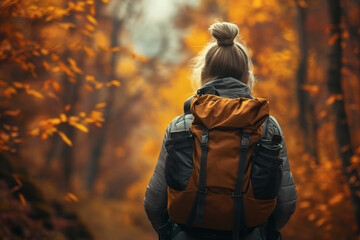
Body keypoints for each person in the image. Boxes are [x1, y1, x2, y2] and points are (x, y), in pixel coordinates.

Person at [144, 21, 297, 240]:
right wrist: (262, 231)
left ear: (204, 74)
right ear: (246, 76)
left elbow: (153, 202)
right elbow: (286, 203)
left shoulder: (181, 126)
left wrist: (170, 232)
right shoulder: (267, 127)